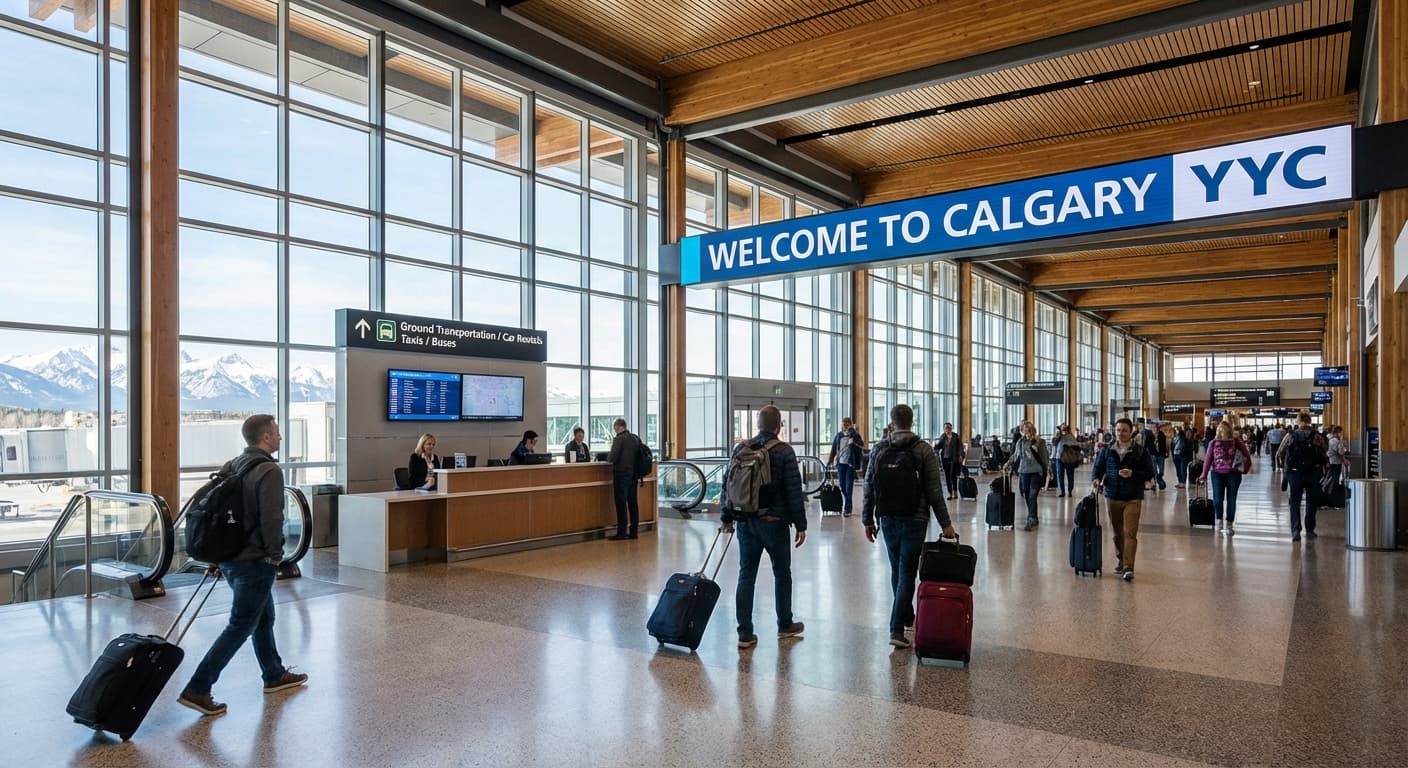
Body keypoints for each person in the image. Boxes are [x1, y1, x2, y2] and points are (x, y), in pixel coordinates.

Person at [177, 415, 307, 717]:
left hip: (231, 556)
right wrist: (276, 556)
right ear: (264, 438)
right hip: (254, 559)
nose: (280, 438)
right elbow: (272, 519)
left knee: (263, 617)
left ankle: (273, 673)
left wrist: (216, 556)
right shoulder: (268, 470)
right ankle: (199, 687)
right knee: (241, 625)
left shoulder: (234, 464)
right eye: (276, 433)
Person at [862, 404, 957, 649]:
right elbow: (935, 492)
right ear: (912, 422)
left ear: (891, 423)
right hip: (915, 519)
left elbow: (869, 486)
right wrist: (946, 525)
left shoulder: (880, 448)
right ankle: (896, 627)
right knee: (906, 574)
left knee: (897, 571)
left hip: (888, 518)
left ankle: (906, 616)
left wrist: (867, 519)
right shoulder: (923, 450)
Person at [721, 405, 807, 649]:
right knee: (782, 573)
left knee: (746, 574)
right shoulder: (784, 451)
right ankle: (784, 624)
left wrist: (727, 517)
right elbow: (793, 490)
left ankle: (745, 633)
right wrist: (800, 524)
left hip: (745, 522)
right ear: (779, 425)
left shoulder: (741, 448)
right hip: (773, 523)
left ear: (758, 424)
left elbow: (728, 484)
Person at [1091, 417, 1156, 582]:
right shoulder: (1106, 450)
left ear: (1131, 431)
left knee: (1130, 533)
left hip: (1133, 496)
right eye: (1118, 430)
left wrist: (1133, 474)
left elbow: (1149, 473)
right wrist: (1096, 479)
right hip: (1112, 495)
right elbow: (1097, 468)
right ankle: (1121, 560)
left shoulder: (1141, 451)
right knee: (1117, 534)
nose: (1121, 433)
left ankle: (1128, 567)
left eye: (1124, 430)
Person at [1277, 413, 1328, 542]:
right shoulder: (1316, 436)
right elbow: (1324, 451)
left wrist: (1285, 467)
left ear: (1298, 421)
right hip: (1313, 472)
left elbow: (1280, 452)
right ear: (1310, 421)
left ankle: (1295, 531)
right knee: (1311, 501)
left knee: (1294, 502)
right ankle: (1310, 529)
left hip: (1295, 473)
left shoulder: (1291, 436)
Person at [1200, 421, 1253, 535]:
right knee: (1217, 499)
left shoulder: (1237, 441)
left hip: (1233, 474)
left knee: (1231, 499)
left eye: (1224, 429)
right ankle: (1218, 520)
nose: (1222, 431)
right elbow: (1208, 458)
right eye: (1220, 429)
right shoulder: (1213, 443)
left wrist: (1245, 469)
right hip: (1217, 474)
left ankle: (1229, 523)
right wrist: (1204, 474)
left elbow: (1247, 456)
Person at [1006, 421, 1050, 531]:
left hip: (1036, 471)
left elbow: (1045, 457)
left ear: (1032, 430)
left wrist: (1049, 470)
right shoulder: (1020, 442)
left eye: (1028, 429)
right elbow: (1016, 455)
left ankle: (1031, 518)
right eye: (1024, 429)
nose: (1026, 431)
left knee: (1033, 495)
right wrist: (1008, 463)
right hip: (1024, 471)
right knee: (1027, 494)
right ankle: (1033, 516)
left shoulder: (1039, 442)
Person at [605, 419, 641, 540]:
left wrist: (607, 456)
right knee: (633, 503)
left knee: (621, 503)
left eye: (615, 428)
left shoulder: (619, 439)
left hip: (621, 474)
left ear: (619, 426)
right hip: (634, 475)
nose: (615, 430)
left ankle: (621, 532)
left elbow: (612, 457)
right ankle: (634, 531)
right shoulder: (635, 438)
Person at [826, 416, 865, 516]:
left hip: (850, 464)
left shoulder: (854, 435)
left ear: (850, 425)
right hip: (840, 464)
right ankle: (847, 502)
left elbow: (861, 444)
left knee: (849, 486)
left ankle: (848, 508)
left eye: (847, 424)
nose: (845, 426)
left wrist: (854, 441)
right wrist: (830, 461)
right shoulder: (838, 436)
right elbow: (834, 449)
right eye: (843, 424)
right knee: (842, 486)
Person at [932, 422, 963, 500]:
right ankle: (950, 493)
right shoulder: (943, 436)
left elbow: (960, 447)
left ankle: (955, 492)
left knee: (953, 476)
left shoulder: (956, 436)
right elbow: (939, 446)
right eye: (945, 428)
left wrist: (960, 455)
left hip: (953, 459)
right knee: (947, 476)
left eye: (948, 428)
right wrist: (935, 446)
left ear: (951, 428)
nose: (946, 430)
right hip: (945, 458)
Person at [1053, 423, 1082, 498]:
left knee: (1070, 475)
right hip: (1059, 458)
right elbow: (1054, 444)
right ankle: (1062, 491)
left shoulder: (1071, 436)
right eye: (1061, 427)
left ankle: (1070, 491)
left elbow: (1077, 446)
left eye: (1064, 427)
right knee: (1060, 475)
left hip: (1069, 459)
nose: (1063, 429)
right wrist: (1059, 435)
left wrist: (1069, 445)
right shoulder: (1058, 435)